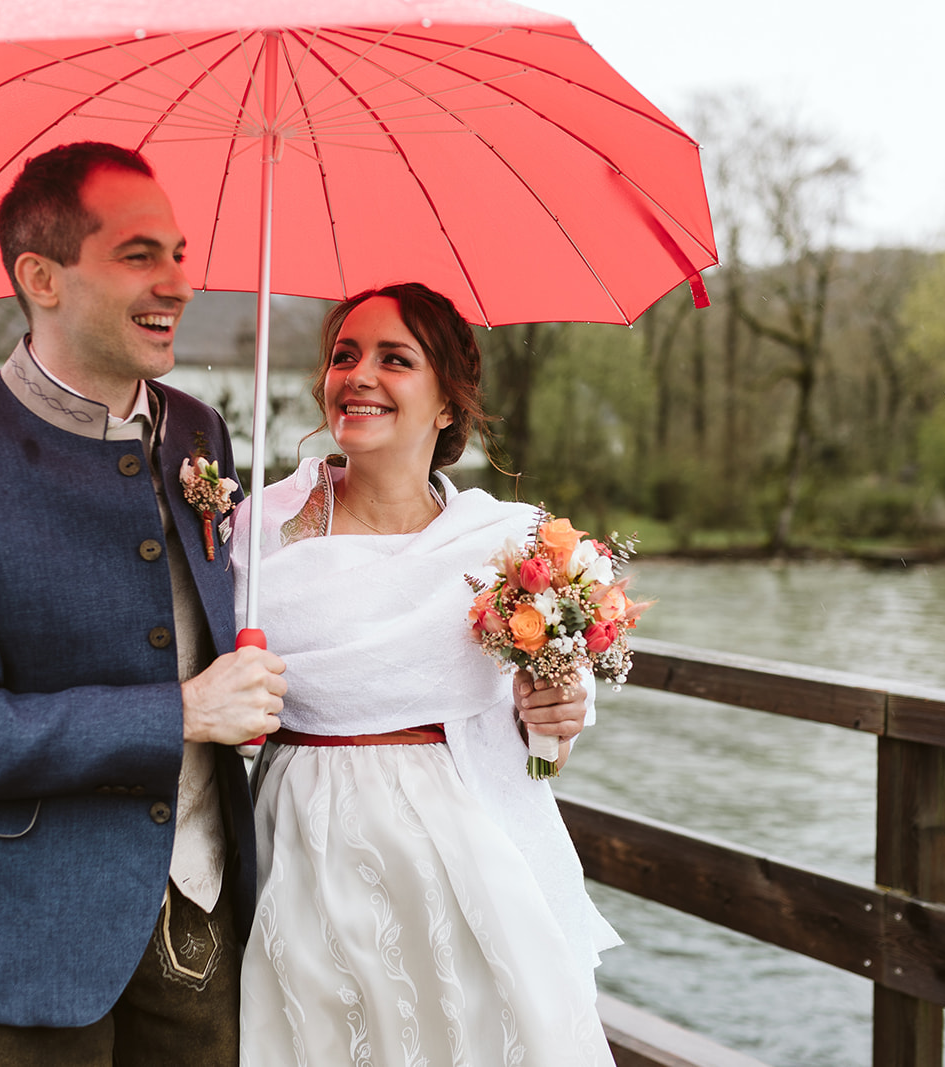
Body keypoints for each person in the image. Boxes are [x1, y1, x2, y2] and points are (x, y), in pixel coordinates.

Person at [0, 141, 289, 1065]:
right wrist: (185, 711)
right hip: (17, 938)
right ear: (41, 276)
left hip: (204, 918)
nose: (179, 280)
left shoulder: (202, 432)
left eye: (179, 252)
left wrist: (526, 701)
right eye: (140, 254)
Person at [231, 283, 621, 1065]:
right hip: (306, 845)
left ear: (448, 405)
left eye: (394, 359)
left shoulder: (506, 547)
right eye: (345, 354)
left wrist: (553, 716)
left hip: (462, 856)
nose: (359, 375)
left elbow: (543, 746)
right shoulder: (257, 532)